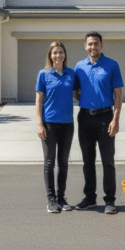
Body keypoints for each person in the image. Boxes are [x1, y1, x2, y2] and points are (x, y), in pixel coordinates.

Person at [73, 32, 124, 214]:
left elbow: (118, 94)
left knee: (107, 160)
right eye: (90, 44)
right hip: (85, 118)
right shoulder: (79, 67)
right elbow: (75, 92)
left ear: (102, 46)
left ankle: (110, 200)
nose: (93, 47)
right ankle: (90, 198)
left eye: (96, 44)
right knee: (88, 161)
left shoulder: (112, 65)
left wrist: (115, 119)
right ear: (85, 46)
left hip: (105, 118)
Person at [35, 41, 77, 213]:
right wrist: (39, 124)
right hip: (49, 124)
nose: (58, 55)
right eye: (54, 53)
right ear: (50, 56)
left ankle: (61, 198)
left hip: (67, 124)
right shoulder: (43, 74)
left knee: (63, 163)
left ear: (64, 55)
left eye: (60, 52)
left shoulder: (71, 74)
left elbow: (77, 95)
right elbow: (38, 100)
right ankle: (51, 199)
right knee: (49, 162)